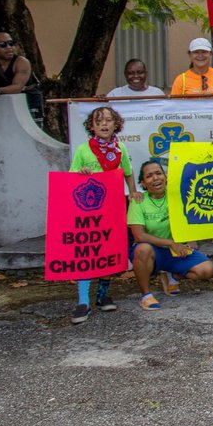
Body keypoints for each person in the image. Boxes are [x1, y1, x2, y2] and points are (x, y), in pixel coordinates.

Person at [68, 106, 142, 323]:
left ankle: (102, 296)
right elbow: (71, 176)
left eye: (109, 120)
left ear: (115, 124)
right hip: (89, 209)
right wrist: (81, 174)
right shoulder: (83, 150)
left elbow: (128, 174)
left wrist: (134, 192)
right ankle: (83, 301)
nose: (104, 124)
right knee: (88, 251)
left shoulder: (120, 149)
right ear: (91, 126)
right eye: (99, 120)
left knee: (108, 249)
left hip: (114, 207)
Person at [127, 160, 213, 310]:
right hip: (152, 251)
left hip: (176, 250)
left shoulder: (178, 193)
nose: (155, 178)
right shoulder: (138, 201)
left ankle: (171, 276)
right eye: (149, 176)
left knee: (207, 270)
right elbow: (139, 236)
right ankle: (146, 295)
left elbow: (201, 176)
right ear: (143, 183)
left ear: (166, 176)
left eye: (158, 173)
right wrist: (170, 243)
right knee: (143, 249)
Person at [0, 31, 45, 122]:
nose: (9, 47)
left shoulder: (22, 62)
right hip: (3, 100)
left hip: (28, 99)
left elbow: (17, 87)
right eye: (3, 44)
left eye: (11, 43)